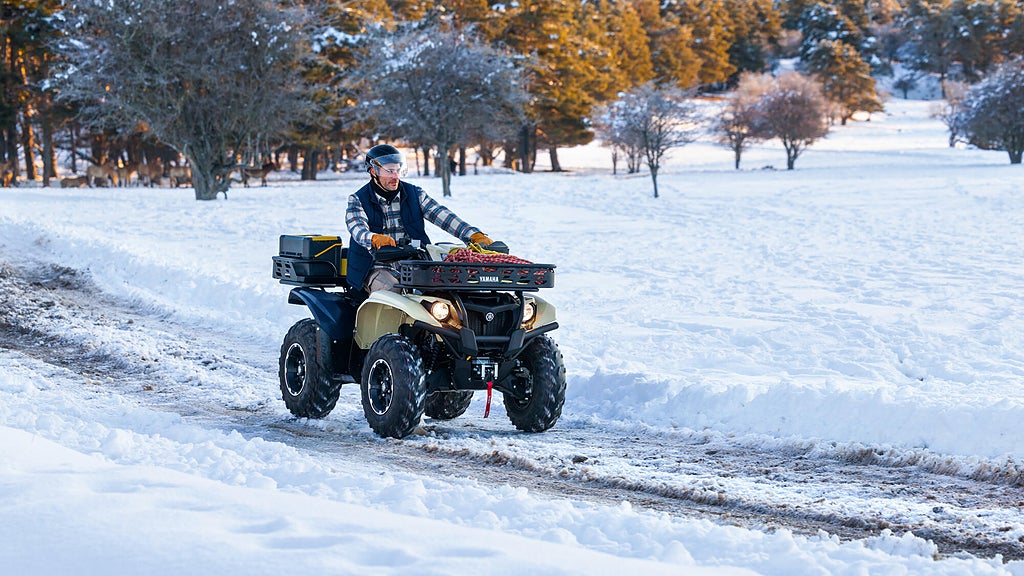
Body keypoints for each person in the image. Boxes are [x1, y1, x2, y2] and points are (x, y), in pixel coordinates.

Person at [345, 144, 496, 293]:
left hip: (415, 263)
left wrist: (472, 235)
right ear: (373, 171)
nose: (395, 176)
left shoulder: (414, 194)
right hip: (375, 266)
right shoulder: (358, 199)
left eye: (398, 170)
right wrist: (373, 238)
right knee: (391, 290)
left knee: (446, 289)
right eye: (389, 171)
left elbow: (442, 215)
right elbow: (357, 227)